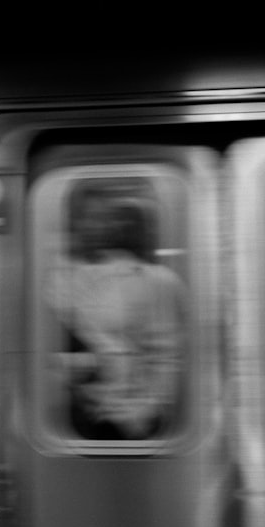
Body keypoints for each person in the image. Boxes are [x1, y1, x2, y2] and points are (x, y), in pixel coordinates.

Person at [46, 184, 186, 440]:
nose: (97, 226)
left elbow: (169, 356)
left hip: (134, 421)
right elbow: (43, 351)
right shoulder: (55, 279)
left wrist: (146, 412)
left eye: (104, 218)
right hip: (70, 417)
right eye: (86, 218)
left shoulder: (155, 280)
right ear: (71, 223)